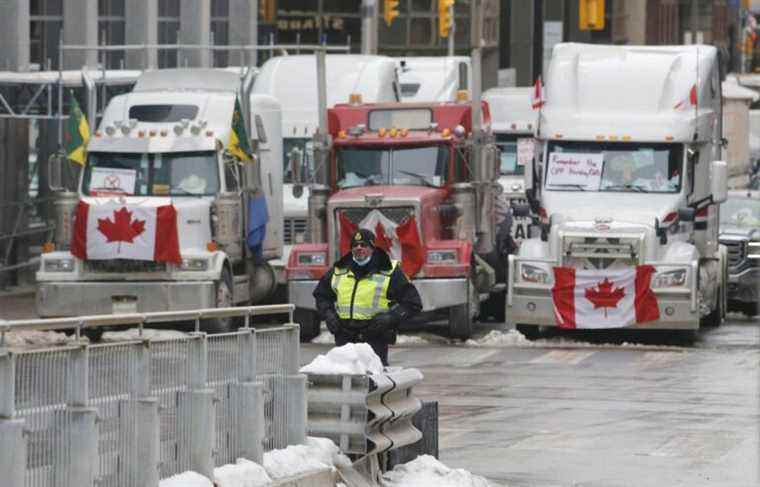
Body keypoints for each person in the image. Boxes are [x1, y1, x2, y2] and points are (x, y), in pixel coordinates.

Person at [313, 228, 422, 366]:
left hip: (374, 338)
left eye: (364, 245)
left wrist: (390, 318)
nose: (359, 248)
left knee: (373, 382)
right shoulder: (339, 270)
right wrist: (329, 315)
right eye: (355, 245)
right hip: (344, 338)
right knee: (345, 381)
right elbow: (321, 295)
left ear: (373, 248)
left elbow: (413, 303)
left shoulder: (389, 271)